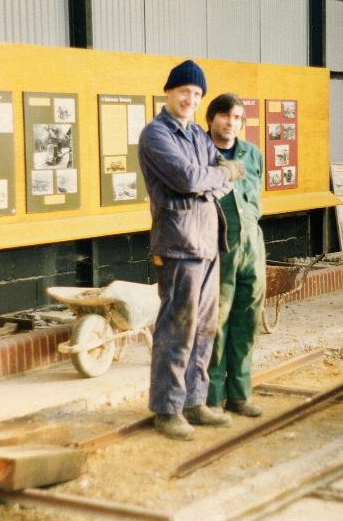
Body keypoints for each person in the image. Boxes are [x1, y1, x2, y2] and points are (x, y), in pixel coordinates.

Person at [138, 60, 247, 441]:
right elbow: (187, 178)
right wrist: (215, 177)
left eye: (197, 94)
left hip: (208, 242)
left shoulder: (198, 135)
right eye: (185, 91)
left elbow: (221, 178)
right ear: (169, 92)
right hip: (179, 244)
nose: (190, 98)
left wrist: (210, 180)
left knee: (205, 327)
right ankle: (167, 409)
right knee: (177, 328)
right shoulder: (155, 135)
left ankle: (194, 402)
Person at [204, 94, 266, 418]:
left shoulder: (252, 154)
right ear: (211, 118)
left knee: (247, 321)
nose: (232, 122)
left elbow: (257, 198)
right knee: (216, 323)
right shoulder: (201, 154)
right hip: (217, 248)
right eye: (225, 116)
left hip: (252, 245)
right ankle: (212, 399)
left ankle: (240, 396)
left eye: (238, 117)